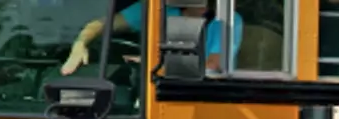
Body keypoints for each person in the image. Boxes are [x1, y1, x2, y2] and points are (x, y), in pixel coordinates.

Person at [61, 1, 243, 76]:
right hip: (148, 90)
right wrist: (80, 43)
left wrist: (150, 64)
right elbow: (101, 24)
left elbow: (213, 66)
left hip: (200, 97)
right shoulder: (154, 8)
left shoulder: (226, 19)